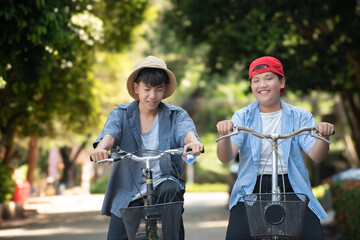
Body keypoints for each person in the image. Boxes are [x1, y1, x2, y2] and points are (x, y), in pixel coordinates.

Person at [216, 56, 334, 240]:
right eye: (256, 80)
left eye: (268, 78)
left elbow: (316, 155)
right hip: (252, 188)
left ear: (281, 82)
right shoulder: (243, 117)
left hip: (292, 186)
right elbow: (226, 157)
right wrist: (224, 135)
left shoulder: (300, 116)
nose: (262, 84)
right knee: (237, 235)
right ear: (251, 86)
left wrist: (323, 136)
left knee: (313, 234)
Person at [91, 56, 204, 240]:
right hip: (129, 188)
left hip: (163, 181)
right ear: (136, 88)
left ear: (165, 89)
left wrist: (192, 142)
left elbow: (186, 131)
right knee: (117, 234)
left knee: (171, 190)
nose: (152, 96)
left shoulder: (176, 115)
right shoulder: (121, 114)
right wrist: (101, 148)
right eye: (147, 89)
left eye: (158, 89)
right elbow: (111, 133)